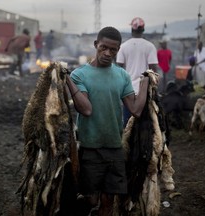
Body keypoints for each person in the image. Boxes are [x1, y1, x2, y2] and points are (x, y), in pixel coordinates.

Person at [64, 26, 151, 216]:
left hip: (114, 147)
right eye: (103, 47)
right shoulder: (80, 75)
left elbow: (135, 110)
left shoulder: (122, 75)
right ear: (96, 44)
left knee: (108, 201)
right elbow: (86, 109)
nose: (107, 53)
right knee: (91, 199)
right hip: (90, 148)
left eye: (113, 50)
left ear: (118, 50)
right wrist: (69, 81)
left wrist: (145, 82)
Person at [116, 17, 158, 126]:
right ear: (143, 30)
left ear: (132, 30)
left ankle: (127, 142)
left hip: (128, 90)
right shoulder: (150, 46)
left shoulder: (123, 47)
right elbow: (153, 69)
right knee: (145, 123)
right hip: (144, 91)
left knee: (128, 123)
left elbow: (118, 69)